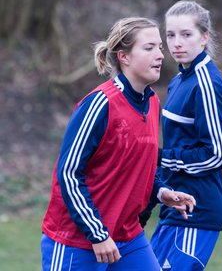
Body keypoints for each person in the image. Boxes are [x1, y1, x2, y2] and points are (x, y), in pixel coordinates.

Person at [41, 16, 196, 271]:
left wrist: (160, 191)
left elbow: (139, 165)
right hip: (77, 241)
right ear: (123, 57)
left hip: (126, 237)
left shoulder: (153, 102)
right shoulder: (100, 104)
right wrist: (97, 233)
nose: (160, 54)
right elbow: (68, 173)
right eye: (149, 48)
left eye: (159, 47)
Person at [149, 0, 222, 270]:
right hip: (174, 208)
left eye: (186, 34)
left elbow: (219, 153)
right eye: (171, 35)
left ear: (204, 37)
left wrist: (162, 159)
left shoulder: (206, 83)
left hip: (198, 211)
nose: (177, 43)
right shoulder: (179, 80)